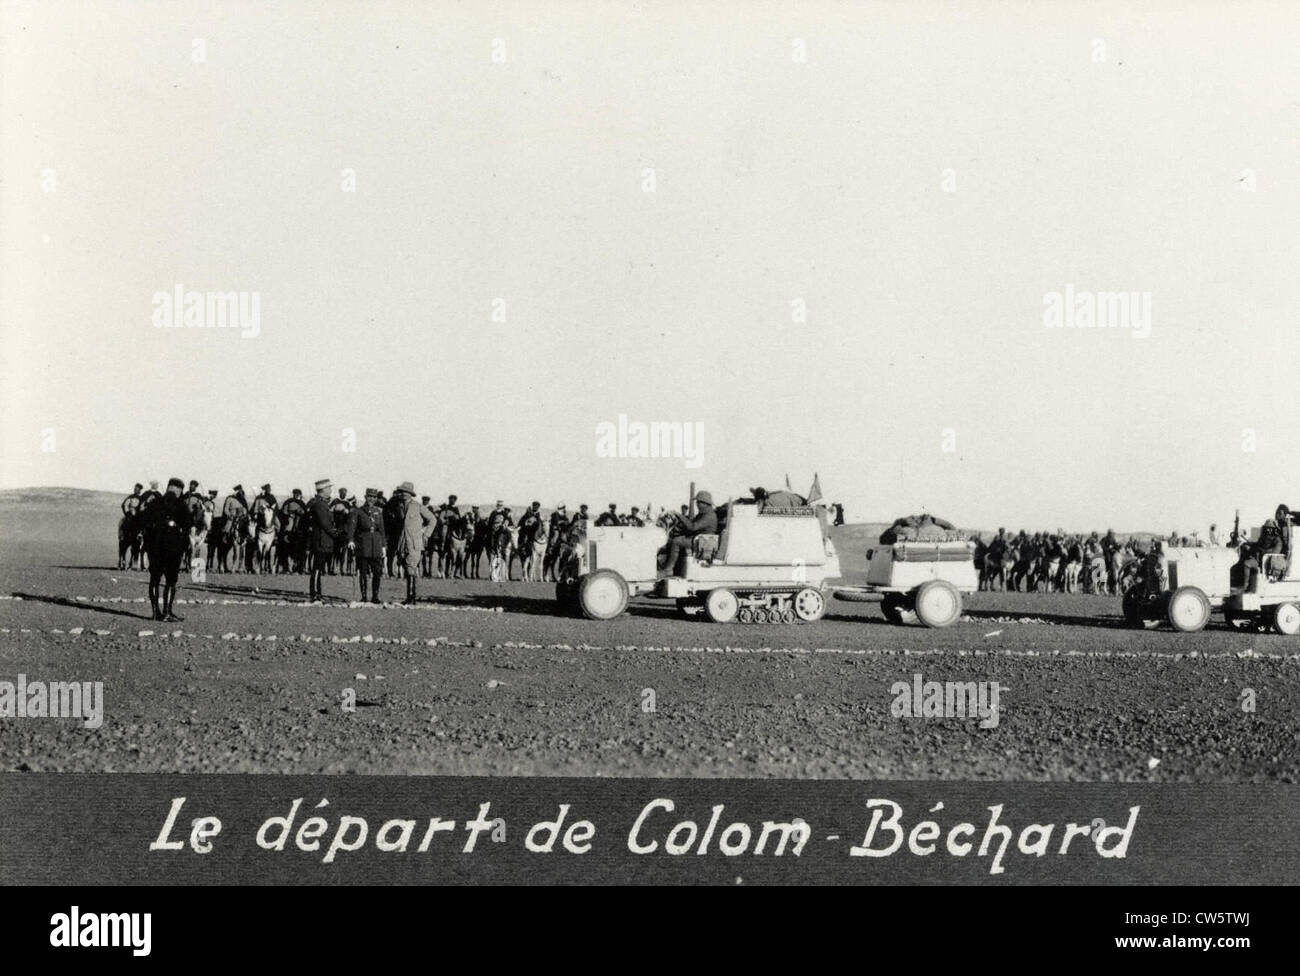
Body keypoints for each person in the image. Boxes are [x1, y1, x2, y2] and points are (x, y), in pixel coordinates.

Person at [144, 478, 192, 621]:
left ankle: (155, 613)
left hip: (155, 545)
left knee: (154, 579)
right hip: (173, 545)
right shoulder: (181, 504)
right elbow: (188, 524)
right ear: (177, 489)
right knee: (171, 580)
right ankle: (166, 613)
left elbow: (145, 522)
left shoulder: (155, 502)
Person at [659, 490, 718, 573]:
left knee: (676, 541)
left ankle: (668, 569)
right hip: (698, 540)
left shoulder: (709, 516)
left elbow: (693, 527)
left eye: (699, 502)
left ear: (705, 503)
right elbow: (692, 524)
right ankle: (673, 567)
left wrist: (679, 515)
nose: (697, 505)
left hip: (702, 542)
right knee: (673, 539)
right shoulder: (704, 514)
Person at [345, 488, 386, 604]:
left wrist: (383, 546)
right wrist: (351, 540)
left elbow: (382, 529)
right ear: (365, 497)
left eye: (374, 497)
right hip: (363, 543)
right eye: (369, 497)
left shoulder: (378, 511)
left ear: (376, 498)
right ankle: (363, 596)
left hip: (376, 544)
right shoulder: (358, 511)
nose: (371, 499)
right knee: (363, 571)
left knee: (377, 571)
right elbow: (352, 527)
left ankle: (375, 596)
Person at [394, 482, 430, 604]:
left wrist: (426, 534)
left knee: (411, 568)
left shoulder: (418, 506)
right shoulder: (399, 506)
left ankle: (412, 597)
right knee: (406, 567)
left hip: (414, 543)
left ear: (410, 494)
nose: (403, 494)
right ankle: (409, 596)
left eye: (406, 492)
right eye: (402, 491)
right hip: (403, 542)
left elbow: (433, 519)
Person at [306, 479, 338, 602]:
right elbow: (325, 524)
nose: (330, 490)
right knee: (318, 568)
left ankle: (317, 593)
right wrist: (337, 534)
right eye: (329, 488)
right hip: (321, 541)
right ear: (323, 490)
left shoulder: (322, 503)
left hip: (324, 540)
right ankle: (314, 594)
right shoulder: (320, 504)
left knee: (319, 568)